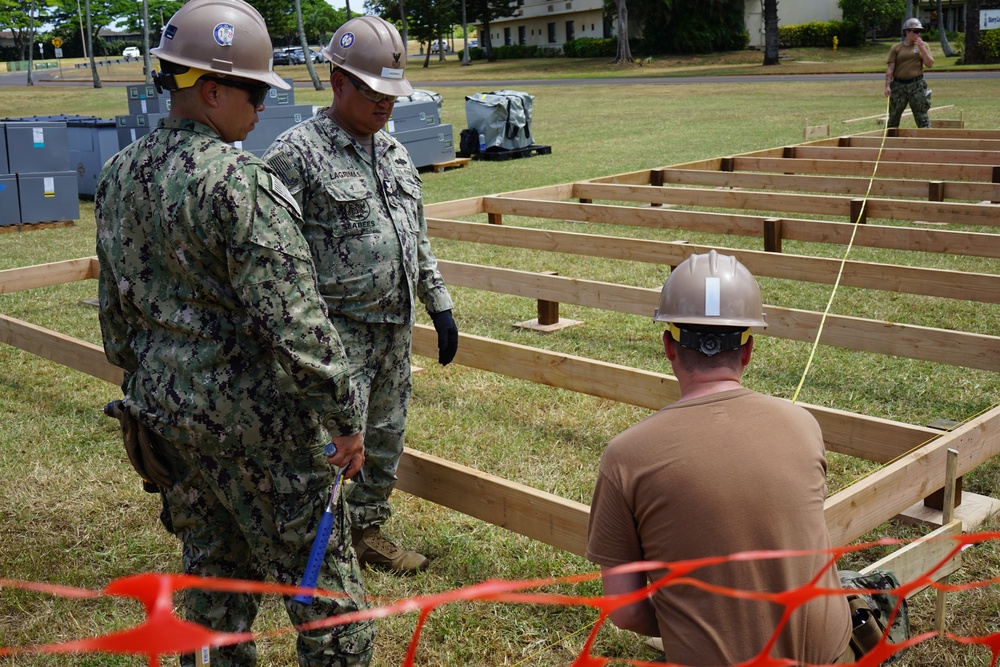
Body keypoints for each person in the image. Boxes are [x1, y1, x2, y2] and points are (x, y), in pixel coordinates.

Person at [94, 0, 375, 664]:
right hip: (264, 438)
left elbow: (116, 324)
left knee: (216, 585)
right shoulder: (241, 184)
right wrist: (345, 416)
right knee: (332, 612)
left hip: (168, 423)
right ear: (211, 89)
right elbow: (298, 325)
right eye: (254, 91)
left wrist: (163, 386)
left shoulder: (116, 178)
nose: (260, 107)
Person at [585, 250, 852, 665]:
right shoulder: (804, 425)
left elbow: (626, 609)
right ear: (747, 350)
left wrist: (688, 618)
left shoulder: (626, 457)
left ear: (669, 347)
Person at [264, 16, 457, 575]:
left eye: (392, 94)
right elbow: (273, 260)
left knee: (384, 438)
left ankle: (367, 530)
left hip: (393, 329)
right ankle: (307, 542)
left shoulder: (394, 153)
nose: (384, 105)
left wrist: (438, 302)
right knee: (323, 444)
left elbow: (413, 234)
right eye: (373, 91)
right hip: (334, 334)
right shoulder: (294, 156)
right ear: (337, 81)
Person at [885, 17, 935, 128]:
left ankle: (927, 141)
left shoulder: (923, 46)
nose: (918, 34)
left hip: (916, 85)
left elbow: (930, 64)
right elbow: (890, 68)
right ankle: (891, 141)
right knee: (894, 116)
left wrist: (922, 48)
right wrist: (887, 86)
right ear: (907, 32)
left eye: (920, 32)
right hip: (899, 86)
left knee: (922, 116)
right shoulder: (896, 48)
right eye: (916, 31)